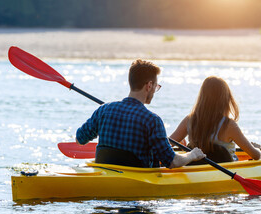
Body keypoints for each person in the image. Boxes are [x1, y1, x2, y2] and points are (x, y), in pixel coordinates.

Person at [76, 59, 206, 168]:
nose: (155, 91)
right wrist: (192, 155)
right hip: (136, 181)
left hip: (106, 174)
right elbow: (172, 162)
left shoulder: (103, 110)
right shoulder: (152, 120)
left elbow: (79, 139)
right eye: (156, 87)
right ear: (149, 86)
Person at [170, 76, 261, 162]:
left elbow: (166, 144)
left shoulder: (189, 120)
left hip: (198, 170)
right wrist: (256, 148)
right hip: (227, 171)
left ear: (202, 97)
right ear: (225, 99)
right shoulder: (229, 125)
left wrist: (182, 146)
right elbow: (255, 156)